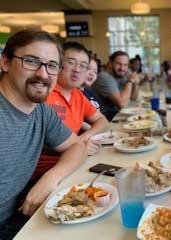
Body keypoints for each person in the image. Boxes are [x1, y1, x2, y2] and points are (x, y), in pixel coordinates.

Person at [0, 29, 87, 239]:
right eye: (31, 61)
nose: (43, 74)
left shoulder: (41, 111)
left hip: (19, 216)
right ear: (5, 63)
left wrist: (51, 178)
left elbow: (78, 146)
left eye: (51, 65)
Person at [32, 42, 108, 180]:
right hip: (46, 171)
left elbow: (102, 120)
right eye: (71, 62)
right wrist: (78, 145)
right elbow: (40, 141)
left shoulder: (78, 95)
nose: (77, 69)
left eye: (83, 66)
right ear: (59, 64)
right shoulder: (43, 92)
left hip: (75, 161)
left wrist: (80, 141)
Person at [91, 51, 140, 120]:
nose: (122, 68)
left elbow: (134, 98)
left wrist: (136, 83)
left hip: (115, 114)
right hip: (104, 118)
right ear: (111, 63)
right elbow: (122, 104)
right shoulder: (104, 77)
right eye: (118, 64)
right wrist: (130, 81)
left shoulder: (124, 73)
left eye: (125, 65)